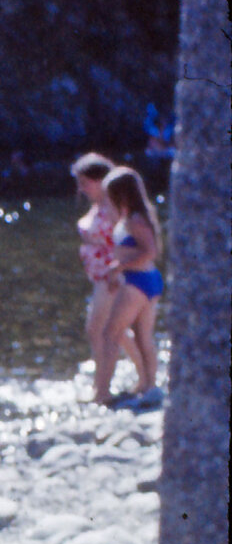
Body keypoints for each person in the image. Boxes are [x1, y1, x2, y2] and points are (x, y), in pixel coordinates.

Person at [72, 152, 142, 403]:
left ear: (100, 179)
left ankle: (102, 389)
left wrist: (120, 269)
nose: (81, 188)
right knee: (119, 331)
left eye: (85, 182)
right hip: (100, 277)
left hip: (111, 278)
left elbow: (126, 239)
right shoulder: (98, 204)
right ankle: (145, 377)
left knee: (97, 329)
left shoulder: (113, 204)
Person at [98, 166, 163, 410]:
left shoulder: (136, 219)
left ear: (122, 194)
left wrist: (118, 267)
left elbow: (150, 252)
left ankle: (102, 392)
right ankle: (148, 385)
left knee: (110, 334)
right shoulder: (138, 216)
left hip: (139, 282)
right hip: (146, 280)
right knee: (143, 336)